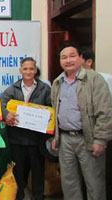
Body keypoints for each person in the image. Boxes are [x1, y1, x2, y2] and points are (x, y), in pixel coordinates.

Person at [51, 43, 112, 200]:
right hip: (65, 140)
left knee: (94, 183)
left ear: (80, 58)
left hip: (88, 139)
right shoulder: (58, 82)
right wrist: (56, 137)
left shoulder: (94, 80)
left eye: (72, 56)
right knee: (69, 183)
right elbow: (55, 112)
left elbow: (105, 112)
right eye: (64, 57)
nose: (68, 60)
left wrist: (100, 140)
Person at [0, 57, 51, 200]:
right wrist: (6, 115)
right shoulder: (12, 89)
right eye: (25, 69)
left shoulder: (45, 89)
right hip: (17, 139)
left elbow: (52, 108)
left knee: (38, 172)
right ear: (20, 70)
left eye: (31, 68)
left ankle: (38, 196)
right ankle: (19, 196)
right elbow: (1, 105)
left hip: (37, 139)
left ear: (35, 70)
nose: (28, 71)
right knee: (19, 172)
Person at [80, 47, 112, 200]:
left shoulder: (104, 79)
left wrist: (101, 137)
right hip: (77, 136)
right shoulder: (68, 81)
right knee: (79, 178)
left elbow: (106, 110)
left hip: (99, 134)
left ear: (88, 62)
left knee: (97, 178)